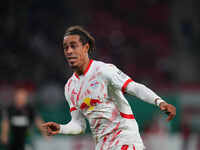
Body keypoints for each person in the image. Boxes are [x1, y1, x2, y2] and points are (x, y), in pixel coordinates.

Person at [42, 25, 176, 150]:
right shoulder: (70, 87)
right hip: (102, 146)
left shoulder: (104, 71)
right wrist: (60, 128)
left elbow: (134, 87)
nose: (69, 51)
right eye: (66, 47)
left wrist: (159, 102)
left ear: (85, 48)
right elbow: (79, 125)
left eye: (73, 46)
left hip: (126, 141)